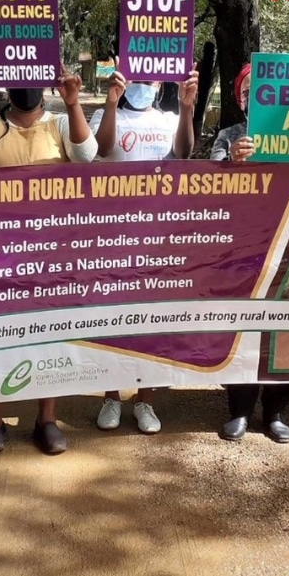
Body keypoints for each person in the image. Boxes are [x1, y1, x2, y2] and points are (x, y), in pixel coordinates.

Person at [0, 61, 98, 456]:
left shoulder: (58, 124)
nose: (26, 88)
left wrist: (74, 104)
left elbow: (86, 156)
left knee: (48, 333)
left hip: (50, 251)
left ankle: (46, 418)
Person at [211, 66, 289, 444]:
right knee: (243, 326)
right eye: (248, 90)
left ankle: (277, 411)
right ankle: (240, 410)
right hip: (244, 247)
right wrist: (230, 162)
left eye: (264, 89)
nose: (256, 96)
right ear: (240, 98)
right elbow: (208, 185)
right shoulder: (230, 136)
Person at [91, 67, 198, 435]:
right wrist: (110, 102)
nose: (143, 86)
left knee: (154, 320)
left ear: (160, 83)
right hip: (112, 236)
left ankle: (145, 400)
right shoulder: (108, 115)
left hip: (157, 235)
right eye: (137, 78)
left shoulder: (168, 119)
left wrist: (187, 108)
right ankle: (111, 396)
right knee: (113, 318)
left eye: (151, 80)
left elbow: (184, 153)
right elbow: (102, 149)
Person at [211, 63, 289, 162]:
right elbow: (211, 175)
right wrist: (231, 160)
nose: (255, 97)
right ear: (240, 102)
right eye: (247, 92)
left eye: (263, 91)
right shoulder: (227, 136)